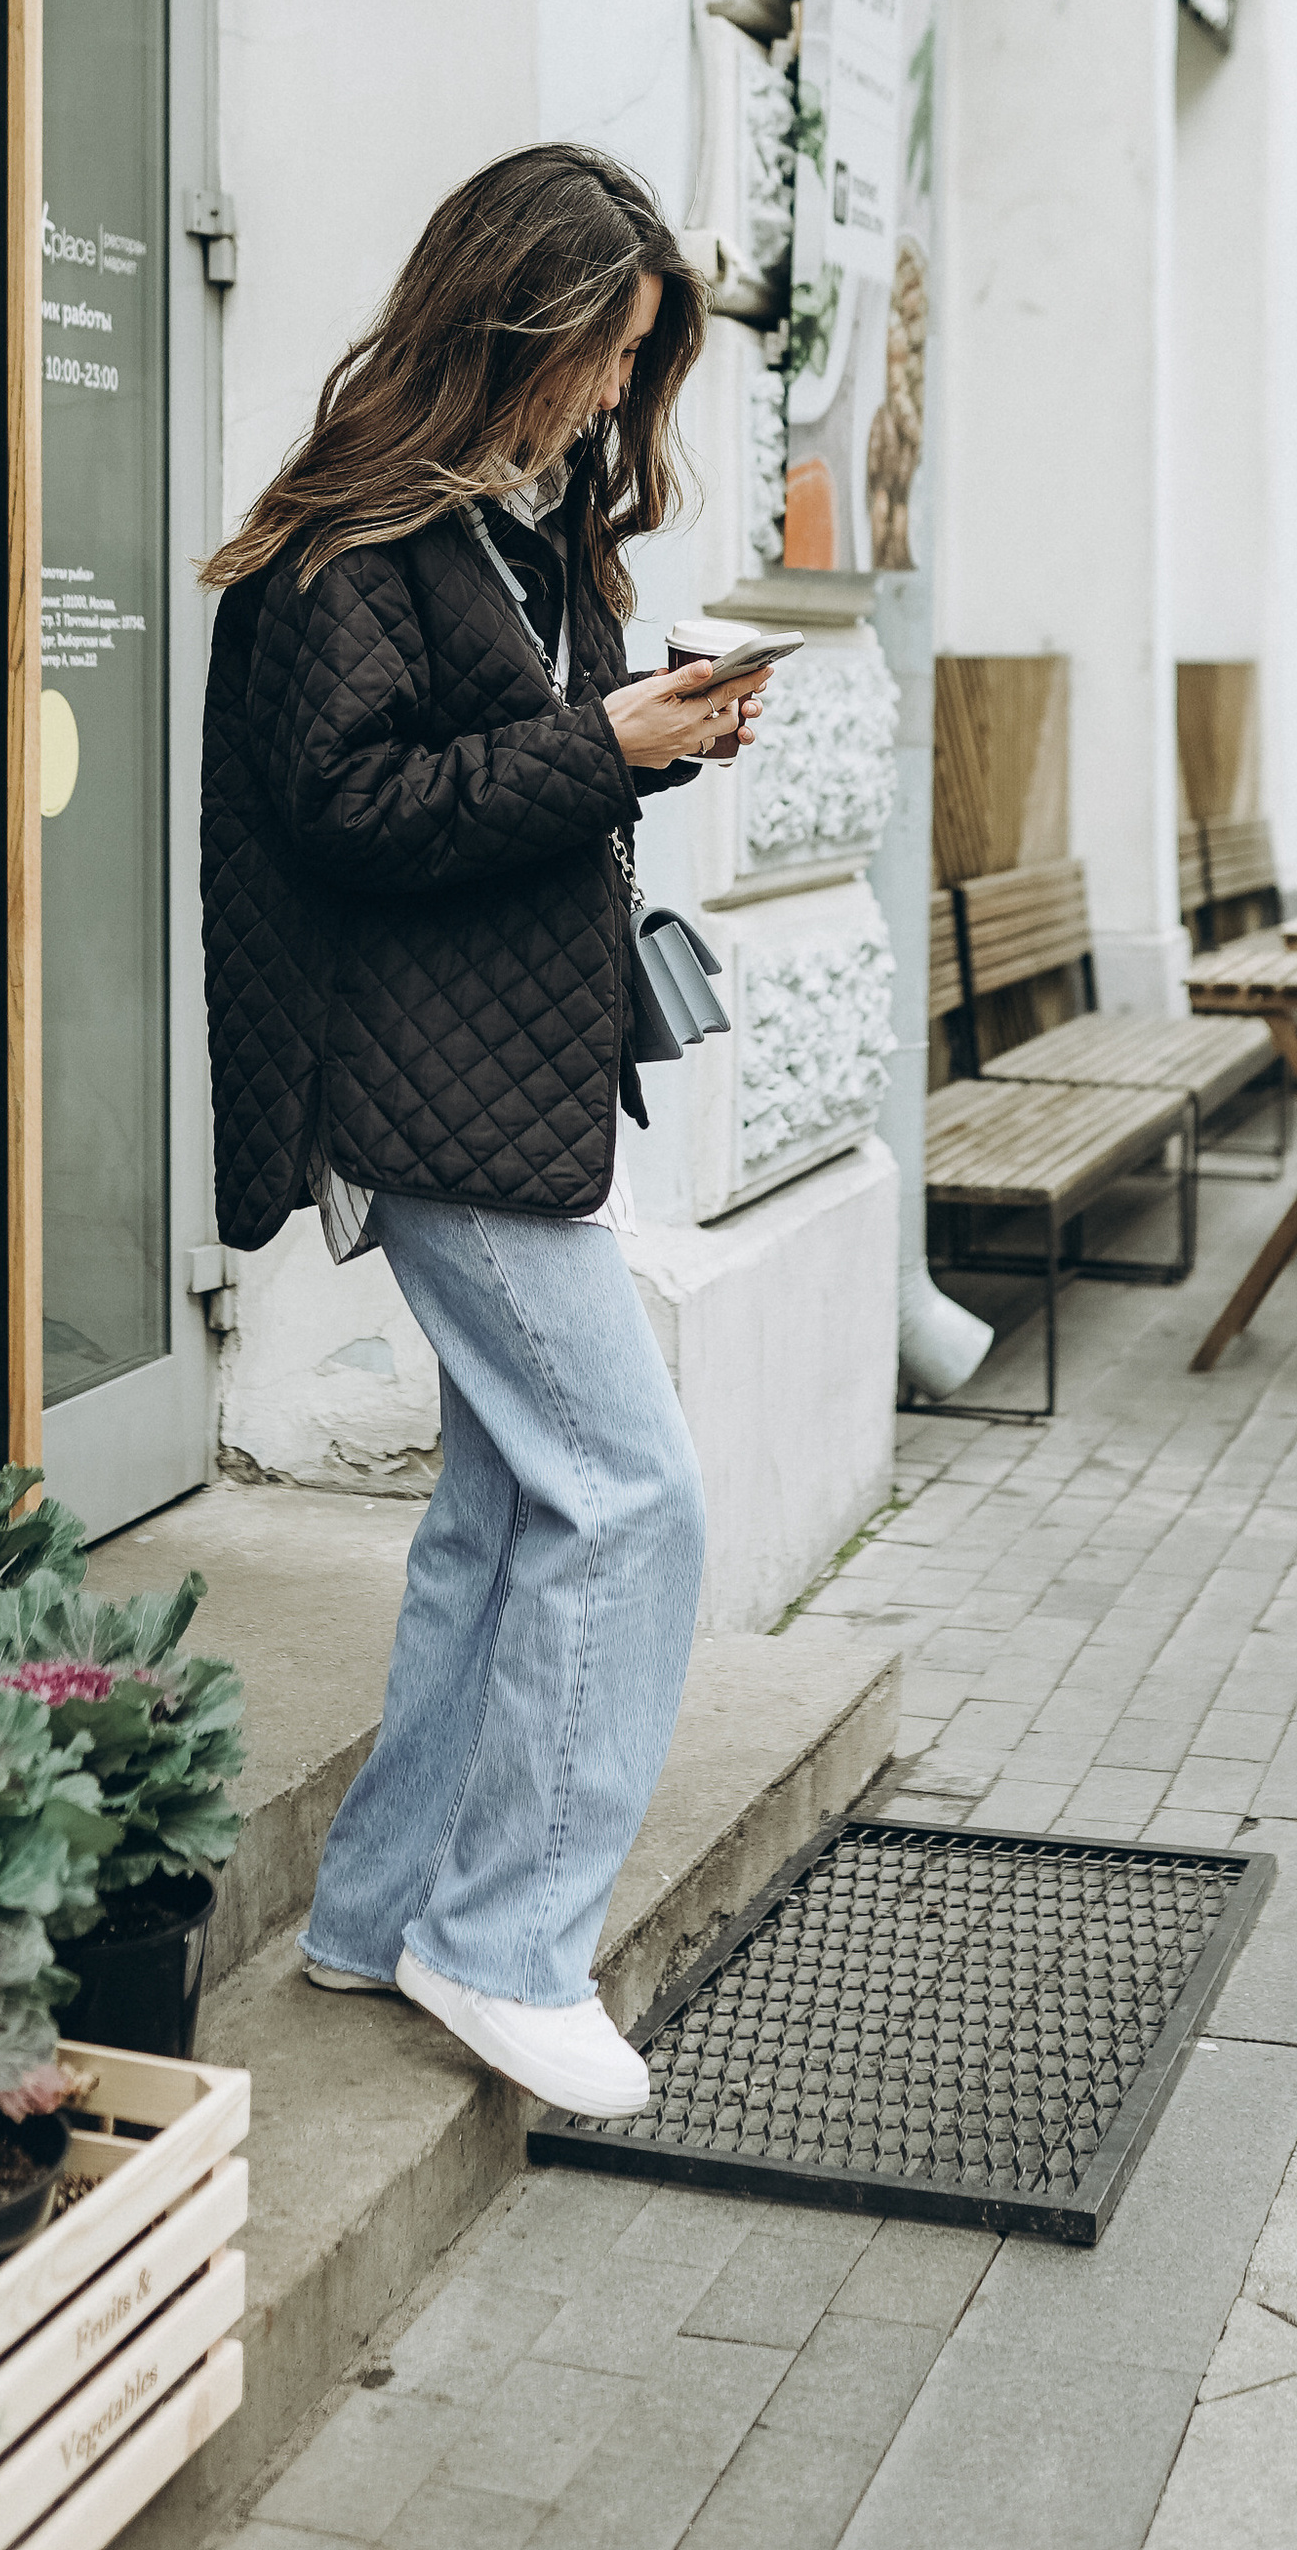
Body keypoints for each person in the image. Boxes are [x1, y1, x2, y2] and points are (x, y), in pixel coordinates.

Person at [198, 145, 764, 2122]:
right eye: (600, 353)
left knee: (507, 1505)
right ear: (508, 324)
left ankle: (374, 1913)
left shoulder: (528, 527)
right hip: (418, 1091)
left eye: (633, 363)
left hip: (504, 1080)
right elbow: (348, 811)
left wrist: (652, 733)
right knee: (633, 1496)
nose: (613, 394)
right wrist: (602, 741)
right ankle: (506, 1944)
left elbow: (496, 777)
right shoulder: (358, 541)